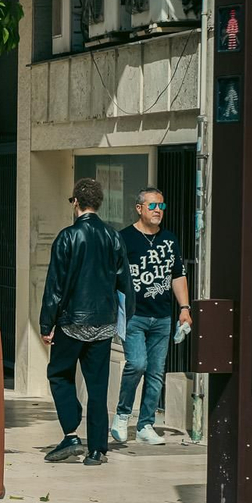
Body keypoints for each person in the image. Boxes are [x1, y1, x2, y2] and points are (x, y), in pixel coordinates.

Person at [40, 177, 131, 466]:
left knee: (59, 373)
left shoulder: (67, 237)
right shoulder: (113, 237)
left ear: (76, 202)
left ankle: (70, 433)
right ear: (99, 203)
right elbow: (123, 281)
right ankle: (97, 450)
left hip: (72, 321)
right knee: (98, 386)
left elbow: (55, 285)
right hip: (103, 322)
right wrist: (121, 319)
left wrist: (47, 323)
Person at [109, 187, 191, 447]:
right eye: (153, 206)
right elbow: (113, 278)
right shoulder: (124, 238)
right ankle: (122, 415)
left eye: (161, 207)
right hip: (134, 316)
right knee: (137, 364)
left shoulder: (169, 239)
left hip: (162, 317)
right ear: (139, 208)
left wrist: (185, 309)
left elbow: (177, 275)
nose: (158, 211)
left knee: (156, 373)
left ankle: (145, 424)